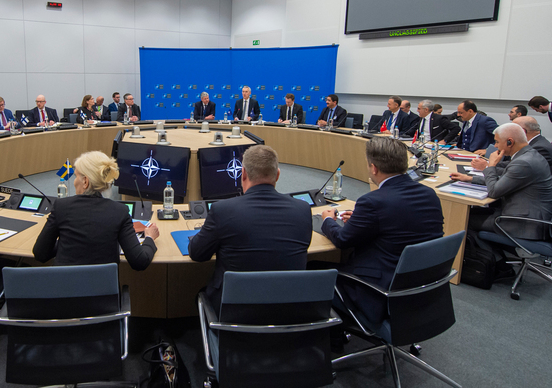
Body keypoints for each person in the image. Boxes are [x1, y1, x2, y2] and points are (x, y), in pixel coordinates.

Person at [319, 137, 444, 325]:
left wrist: (328, 219)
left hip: (379, 289)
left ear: (374, 168)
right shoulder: (429, 194)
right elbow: (401, 223)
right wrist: (362, 221)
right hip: (420, 284)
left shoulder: (373, 201)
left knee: (313, 269)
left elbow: (342, 239)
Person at [188, 145, 312, 313]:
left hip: (234, 312)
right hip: (288, 311)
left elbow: (197, 253)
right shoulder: (303, 210)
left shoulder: (222, 210)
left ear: (243, 173)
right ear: (277, 175)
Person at [33, 151, 158, 270]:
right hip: (104, 286)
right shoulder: (120, 212)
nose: (74, 181)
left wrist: (67, 243)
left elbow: (40, 254)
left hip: (65, 285)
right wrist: (149, 238)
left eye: (76, 176)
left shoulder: (61, 206)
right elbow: (139, 261)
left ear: (85, 181)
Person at [466, 123, 552, 263]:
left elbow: (494, 191)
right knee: (471, 212)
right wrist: (470, 179)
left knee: (463, 220)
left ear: (510, 142)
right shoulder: (529, 154)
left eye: (497, 142)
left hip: (523, 223)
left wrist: (491, 166)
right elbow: (505, 179)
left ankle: (493, 263)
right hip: (528, 216)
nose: (495, 146)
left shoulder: (524, 162)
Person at [453, 116, 552, 184]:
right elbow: (510, 164)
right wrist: (489, 163)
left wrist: (488, 167)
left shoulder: (540, 148)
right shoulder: (532, 144)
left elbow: (512, 174)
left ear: (522, 131)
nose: (496, 146)